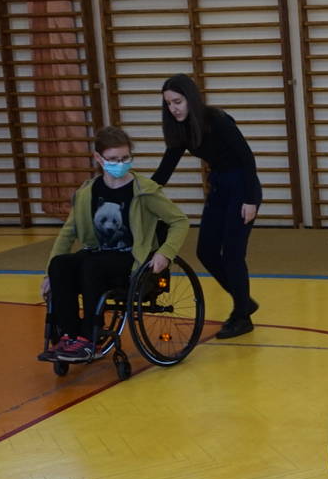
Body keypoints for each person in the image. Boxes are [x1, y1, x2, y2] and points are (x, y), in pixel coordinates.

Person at [41, 126, 189, 362]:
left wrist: (165, 253)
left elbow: (179, 221)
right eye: (113, 159)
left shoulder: (144, 191)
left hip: (131, 259)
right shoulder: (87, 192)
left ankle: (89, 336)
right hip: (98, 254)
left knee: (92, 266)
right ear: (98, 158)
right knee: (60, 265)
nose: (120, 164)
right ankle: (70, 335)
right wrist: (49, 274)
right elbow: (68, 233)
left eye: (125, 158)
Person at [152, 74, 262, 340]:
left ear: (190, 98)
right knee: (206, 251)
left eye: (178, 101)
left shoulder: (217, 120)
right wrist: (141, 191)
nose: (173, 108)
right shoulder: (181, 129)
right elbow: (166, 167)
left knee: (233, 254)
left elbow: (246, 158)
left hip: (242, 188)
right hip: (219, 187)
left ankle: (242, 316)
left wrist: (250, 200)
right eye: (168, 104)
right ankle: (244, 300)